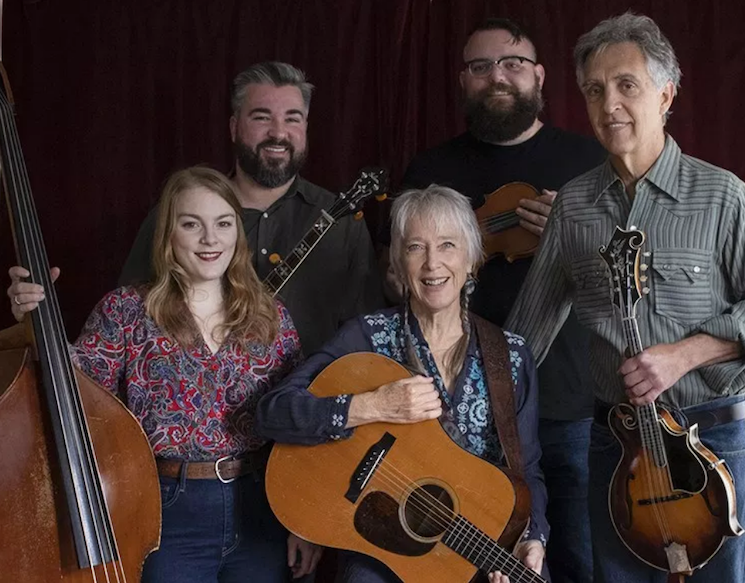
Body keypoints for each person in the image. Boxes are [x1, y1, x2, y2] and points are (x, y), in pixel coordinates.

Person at [508, 13, 745, 583]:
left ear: (666, 94)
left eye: (626, 85)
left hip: (711, 435)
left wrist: (685, 354)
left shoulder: (723, 195)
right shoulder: (573, 207)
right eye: (594, 89)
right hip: (615, 448)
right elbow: (523, 339)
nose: (608, 103)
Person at [8, 167, 322, 582]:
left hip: (261, 505)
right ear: (168, 235)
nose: (211, 239)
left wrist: (303, 521)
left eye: (223, 223)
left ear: (237, 233)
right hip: (169, 510)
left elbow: (296, 420)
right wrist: (31, 320)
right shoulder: (126, 311)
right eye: (192, 224)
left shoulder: (269, 316)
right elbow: (72, 388)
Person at [401, 17, 606, 583]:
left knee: (579, 559)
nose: (498, 76)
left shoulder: (590, 164)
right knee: (469, 559)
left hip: (570, 397)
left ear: (539, 77)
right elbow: (399, 283)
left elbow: (625, 278)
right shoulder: (430, 170)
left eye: (513, 63)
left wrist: (571, 238)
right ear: (463, 80)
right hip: (463, 404)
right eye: (481, 66)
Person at [257, 186, 549, 583]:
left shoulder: (510, 355)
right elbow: (273, 412)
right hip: (385, 545)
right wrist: (374, 405)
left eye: (447, 245)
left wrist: (532, 538)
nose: (432, 264)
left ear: (472, 258)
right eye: (415, 247)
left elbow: (527, 467)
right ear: (397, 260)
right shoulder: (367, 336)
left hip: (479, 539)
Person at [119, 61, 384, 355]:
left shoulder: (344, 222)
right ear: (234, 127)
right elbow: (129, 321)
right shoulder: (175, 215)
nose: (278, 133)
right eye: (262, 117)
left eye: (292, 119)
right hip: (197, 397)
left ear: (306, 128)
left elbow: (366, 335)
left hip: (308, 398)